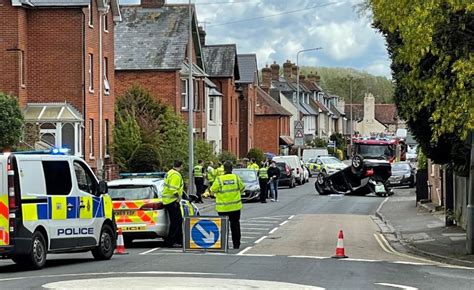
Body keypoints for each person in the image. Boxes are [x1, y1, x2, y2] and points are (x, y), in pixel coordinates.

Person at [210, 161, 245, 249]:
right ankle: (236, 245)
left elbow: (212, 190)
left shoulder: (219, 179)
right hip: (235, 207)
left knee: (224, 227)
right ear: (232, 169)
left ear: (224, 169)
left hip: (222, 208)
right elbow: (242, 187)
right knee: (235, 226)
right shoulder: (236, 178)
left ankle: (225, 245)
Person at [162, 160, 184, 247]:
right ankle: (172, 241)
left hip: (167, 200)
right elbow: (173, 189)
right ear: (181, 166)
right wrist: (178, 197)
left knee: (178, 221)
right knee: (176, 222)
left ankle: (179, 240)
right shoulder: (176, 175)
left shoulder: (170, 172)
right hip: (172, 201)